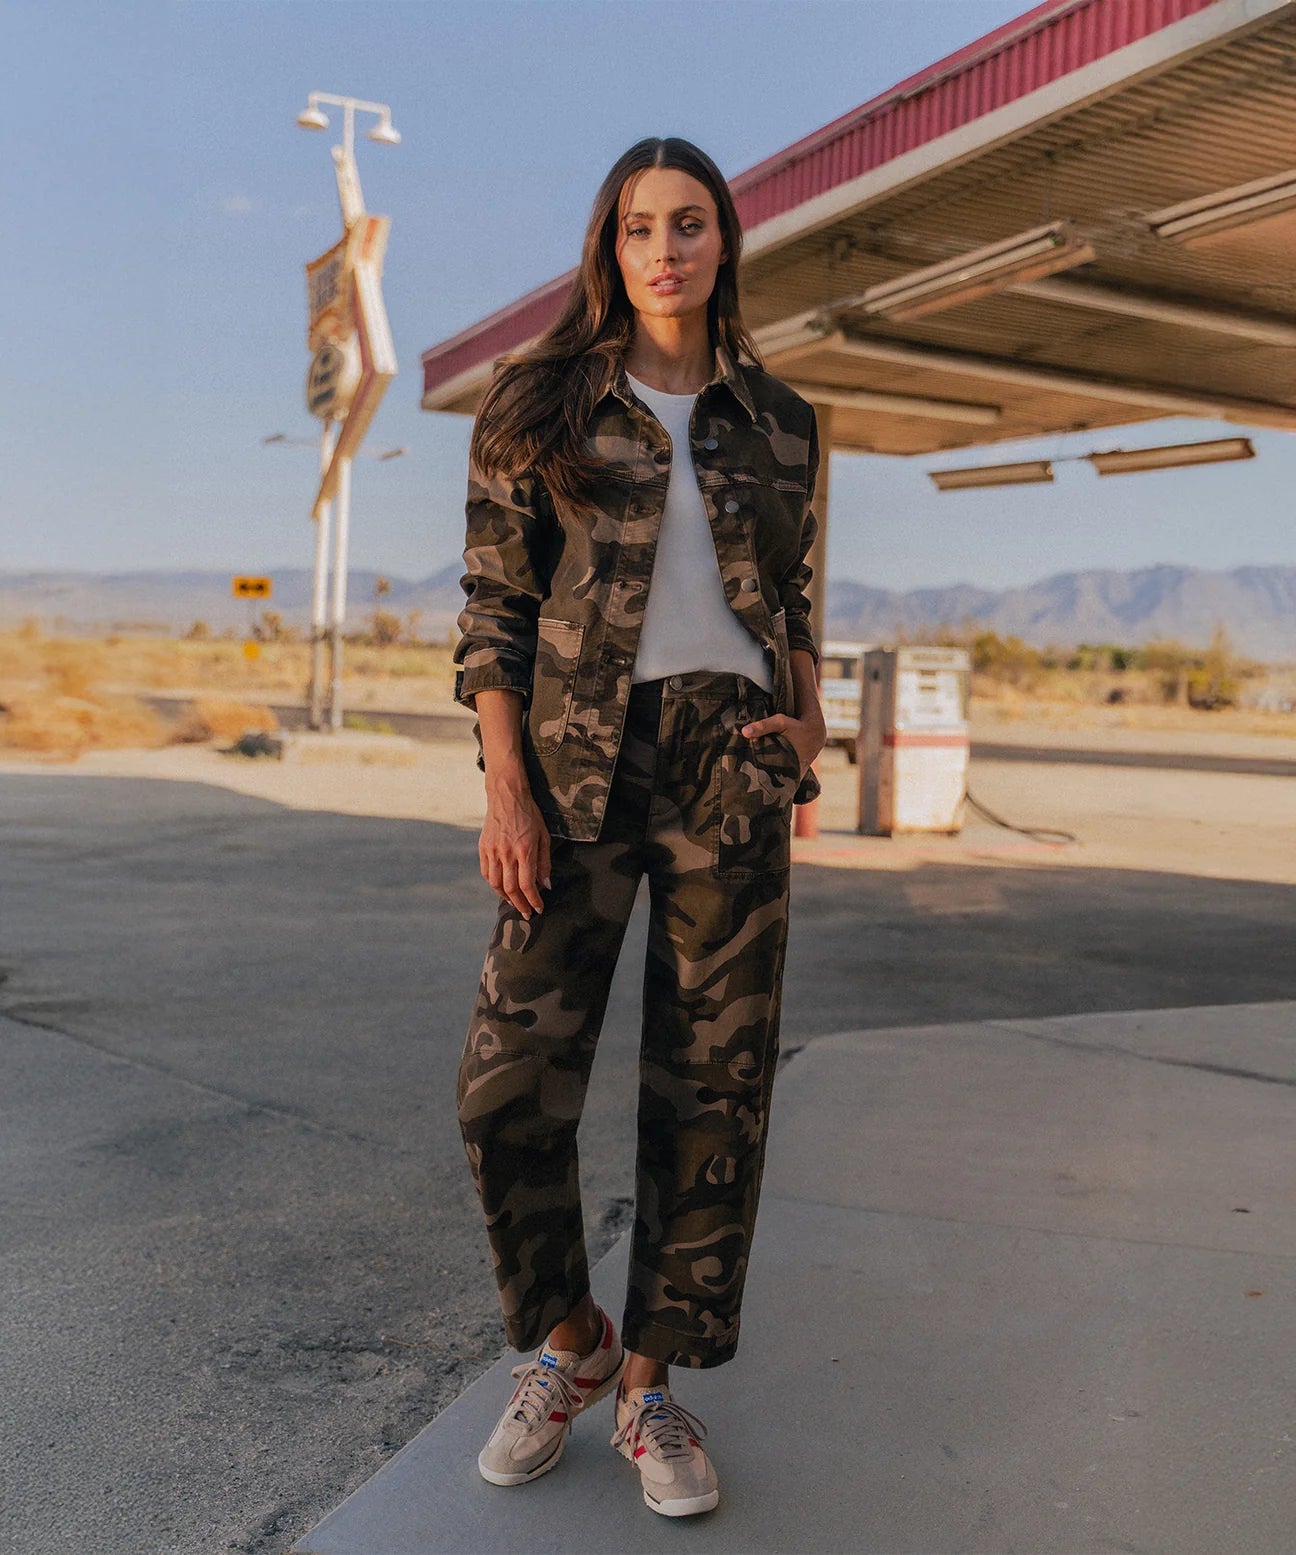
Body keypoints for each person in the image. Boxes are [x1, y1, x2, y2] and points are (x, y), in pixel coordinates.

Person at [451, 134, 825, 1519]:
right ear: (609, 250)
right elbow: (491, 614)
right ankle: (571, 1347)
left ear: (725, 242)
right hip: (571, 774)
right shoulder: (540, 400)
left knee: (710, 1098)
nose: (664, 248)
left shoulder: (781, 419)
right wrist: (505, 788)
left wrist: (811, 727)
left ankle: (654, 1386)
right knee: (503, 1093)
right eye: (635, 228)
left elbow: (789, 605)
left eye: (689, 224)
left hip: (731, 769)